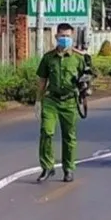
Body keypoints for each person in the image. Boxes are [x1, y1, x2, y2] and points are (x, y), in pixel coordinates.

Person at [35, 23, 85, 183]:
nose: (65, 39)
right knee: (46, 132)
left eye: (68, 36)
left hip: (70, 101)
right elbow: (42, 80)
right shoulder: (48, 58)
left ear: (72, 37)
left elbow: (88, 78)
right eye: (62, 36)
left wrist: (85, 87)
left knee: (69, 136)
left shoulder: (79, 58)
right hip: (51, 99)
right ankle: (47, 167)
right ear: (56, 37)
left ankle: (68, 168)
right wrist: (38, 100)